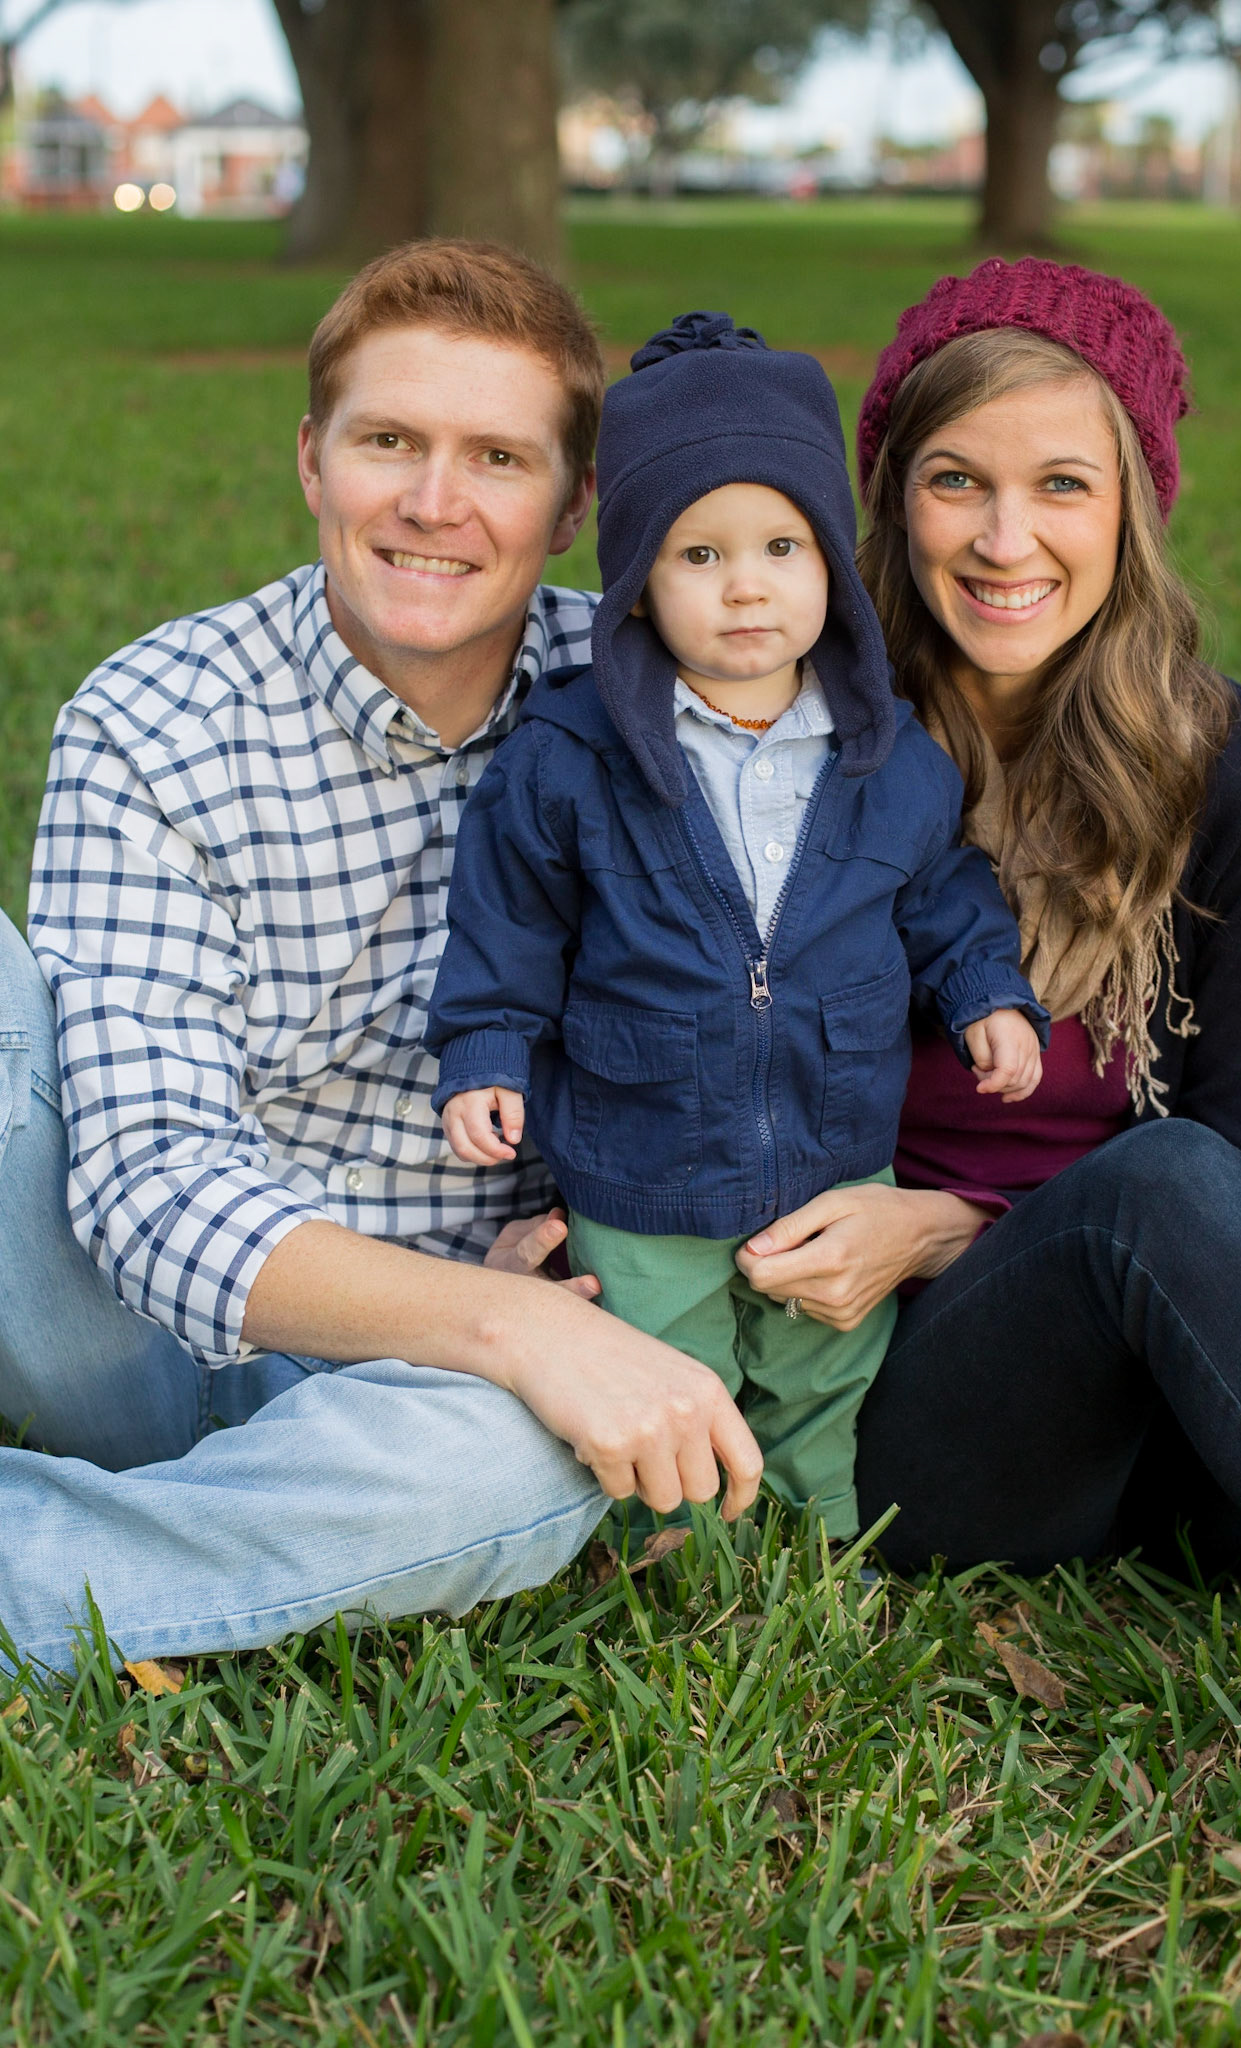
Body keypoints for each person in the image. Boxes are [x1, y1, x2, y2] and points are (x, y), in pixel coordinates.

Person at [0, 241, 763, 1676]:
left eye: (498, 458)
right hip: (126, 1336)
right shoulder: (155, 713)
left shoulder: (663, 706)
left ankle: (71, 1556)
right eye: (390, 442)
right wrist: (510, 1324)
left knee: (529, 1464)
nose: (433, 502)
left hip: (428, 1402)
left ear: (574, 504)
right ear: (312, 459)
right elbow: (148, 1185)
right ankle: (213, 1546)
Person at [730, 257, 1241, 1613]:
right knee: (1163, 1183)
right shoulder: (789, 750)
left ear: (1132, 502)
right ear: (893, 498)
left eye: (1062, 484)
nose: (1004, 539)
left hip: (1151, 1364)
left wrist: (948, 1226)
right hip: (890, 1393)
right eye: (957, 479)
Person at [426, 312, 1046, 1540]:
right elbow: (509, 919)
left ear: (833, 566)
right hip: (641, 1147)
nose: (746, 584)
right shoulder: (570, 756)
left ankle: (821, 1528)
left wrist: (986, 989)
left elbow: (943, 887)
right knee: (665, 1365)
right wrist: (486, 1048)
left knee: (824, 1362)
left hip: (830, 1141)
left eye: (781, 547)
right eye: (699, 554)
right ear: (637, 581)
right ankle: (679, 1548)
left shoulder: (889, 754)